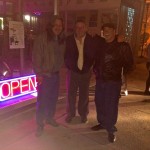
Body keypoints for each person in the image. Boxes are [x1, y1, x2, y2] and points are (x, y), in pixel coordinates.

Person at [91, 23, 134, 143]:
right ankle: (102, 123)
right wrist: (96, 70)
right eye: (104, 30)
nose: (106, 32)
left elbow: (129, 65)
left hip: (113, 82)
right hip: (100, 80)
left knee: (111, 105)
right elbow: (97, 60)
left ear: (114, 31)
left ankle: (110, 128)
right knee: (99, 102)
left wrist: (122, 76)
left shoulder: (122, 46)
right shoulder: (101, 44)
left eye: (109, 30)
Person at [32, 15, 65, 137]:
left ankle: (50, 118)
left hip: (55, 75)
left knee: (53, 99)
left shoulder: (60, 39)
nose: (58, 27)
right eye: (55, 25)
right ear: (51, 25)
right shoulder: (42, 38)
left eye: (60, 25)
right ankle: (40, 124)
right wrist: (39, 74)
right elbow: (36, 57)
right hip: (45, 76)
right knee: (42, 101)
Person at [64, 19, 95, 123]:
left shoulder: (91, 40)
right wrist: (69, 67)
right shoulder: (69, 40)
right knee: (71, 94)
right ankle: (70, 113)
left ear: (86, 28)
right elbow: (65, 55)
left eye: (82, 27)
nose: (80, 29)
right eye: (77, 27)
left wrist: (90, 68)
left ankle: (83, 114)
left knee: (84, 94)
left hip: (86, 72)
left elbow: (94, 55)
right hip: (73, 72)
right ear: (75, 29)